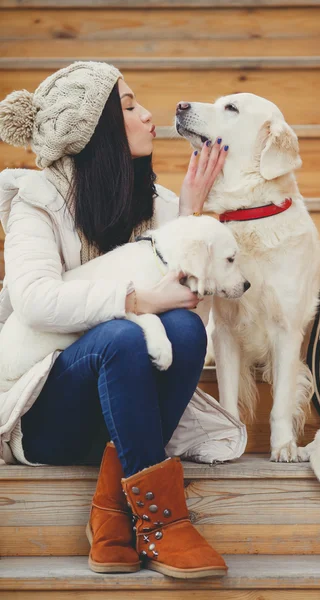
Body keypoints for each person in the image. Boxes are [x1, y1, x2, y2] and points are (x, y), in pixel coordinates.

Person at [0, 61, 230, 579]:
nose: (149, 117)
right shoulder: (37, 203)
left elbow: (197, 323)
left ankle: (113, 509)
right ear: (95, 131)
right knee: (121, 337)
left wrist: (191, 219)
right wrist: (135, 299)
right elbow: (35, 300)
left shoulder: (155, 206)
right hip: (44, 417)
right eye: (129, 107)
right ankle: (164, 522)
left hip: (125, 417)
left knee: (185, 328)